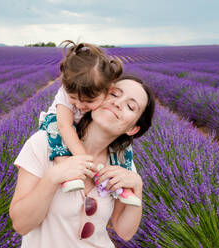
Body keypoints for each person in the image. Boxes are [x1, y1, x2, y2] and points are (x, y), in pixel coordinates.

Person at [9, 74, 156, 248]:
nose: (117, 103)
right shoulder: (45, 144)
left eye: (130, 107)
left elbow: (125, 232)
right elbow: (20, 225)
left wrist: (137, 187)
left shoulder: (123, 164)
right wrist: (53, 177)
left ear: (132, 129)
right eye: (114, 94)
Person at [38, 40, 123, 193]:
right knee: (57, 137)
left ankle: (117, 179)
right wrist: (82, 157)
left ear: (108, 90)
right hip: (59, 123)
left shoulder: (107, 93)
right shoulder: (65, 95)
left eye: (89, 101)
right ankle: (68, 175)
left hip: (80, 125)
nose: (79, 105)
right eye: (73, 98)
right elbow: (65, 126)